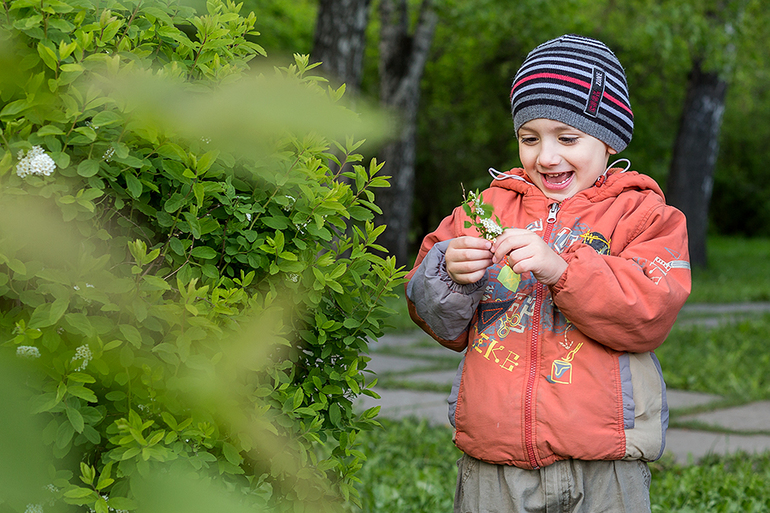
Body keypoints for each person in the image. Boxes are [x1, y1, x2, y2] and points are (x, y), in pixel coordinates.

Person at [405, 34, 691, 513]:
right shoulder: (485, 211)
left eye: (568, 138)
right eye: (529, 138)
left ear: (608, 139)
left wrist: (563, 270)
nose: (547, 157)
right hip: (495, 461)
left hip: (605, 462)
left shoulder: (645, 217)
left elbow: (648, 312)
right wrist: (449, 271)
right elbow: (432, 314)